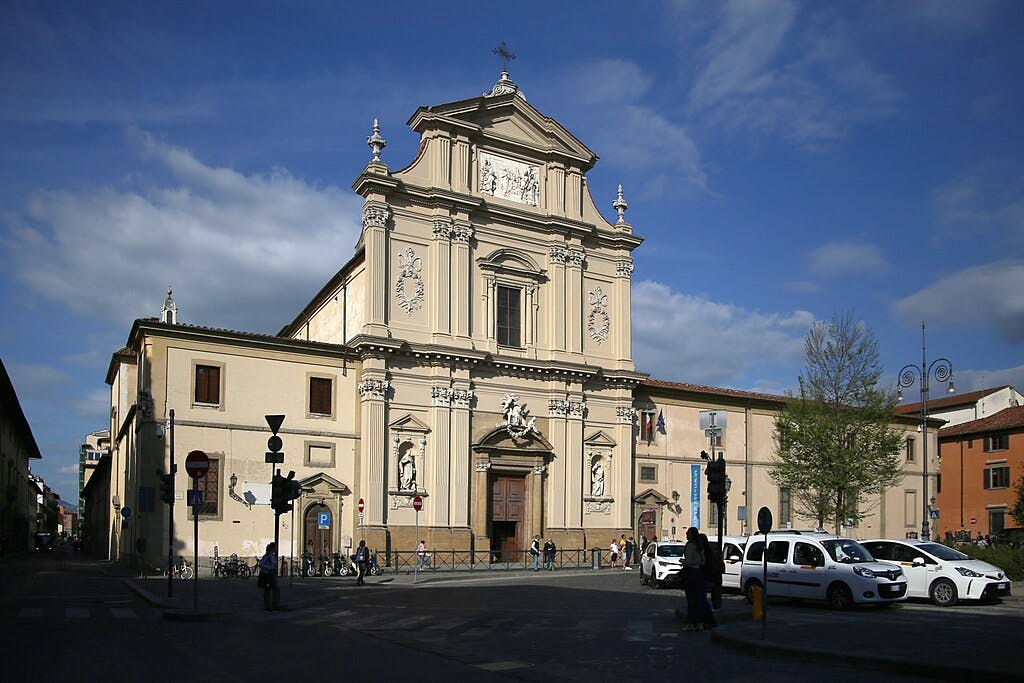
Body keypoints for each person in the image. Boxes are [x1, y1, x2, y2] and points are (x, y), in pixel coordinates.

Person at [681, 527, 707, 631]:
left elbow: (689, 561)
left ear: (691, 535)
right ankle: (700, 623)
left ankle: (691, 624)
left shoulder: (689, 545)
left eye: (688, 533)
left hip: (690, 573)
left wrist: (683, 562)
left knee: (691, 600)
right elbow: (703, 561)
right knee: (699, 599)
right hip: (698, 573)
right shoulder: (700, 545)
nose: (686, 534)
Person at [699, 533, 721, 623]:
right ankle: (709, 618)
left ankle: (709, 620)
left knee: (702, 598)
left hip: (706, 577)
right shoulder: (710, 551)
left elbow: (704, 565)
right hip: (712, 577)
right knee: (705, 598)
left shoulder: (704, 552)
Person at [258, 542, 280, 611]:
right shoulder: (267, 556)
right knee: (268, 591)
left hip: (272, 575)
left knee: (274, 590)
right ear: (272, 548)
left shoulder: (272, 556)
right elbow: (261, 564)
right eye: (275, 548)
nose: (276, 549)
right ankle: (268, 606)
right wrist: (269, 567)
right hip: (268, 575)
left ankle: (273, 605)